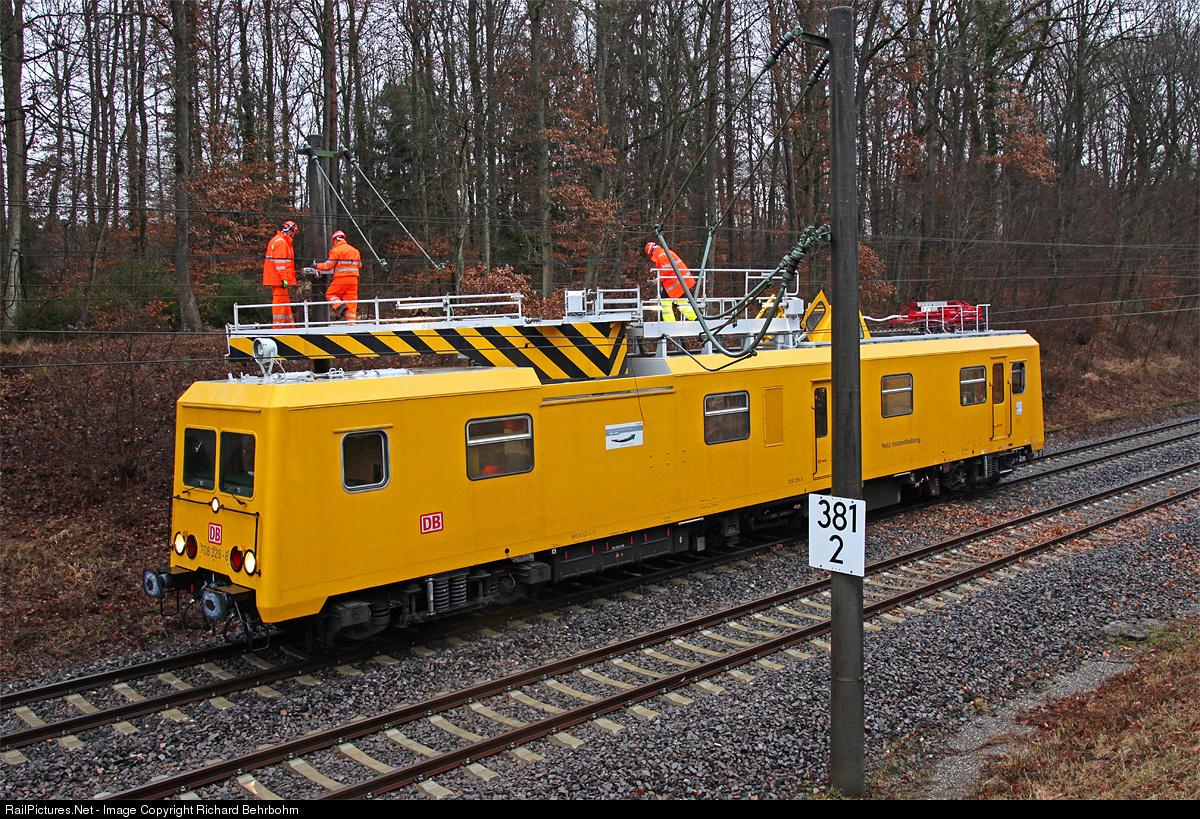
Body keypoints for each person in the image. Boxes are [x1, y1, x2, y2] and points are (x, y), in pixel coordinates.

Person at [313, 230, 362, 321]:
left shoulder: (336, 250)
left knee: (330, 294)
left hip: (342, 278)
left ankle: (340, 306)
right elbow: (359, 265)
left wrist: (316, 266)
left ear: (335, 240)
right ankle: (352, 323)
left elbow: (328, 266)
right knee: (351, 301)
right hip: (354, 279)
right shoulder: (355, 251)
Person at [645, 241, 697, 321]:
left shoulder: (662, 255)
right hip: (679, 281)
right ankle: (695, 318)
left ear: (652, 252)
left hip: (676, 282)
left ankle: (670, 322)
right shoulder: (664, 253)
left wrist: (659, 279)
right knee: (679, 301)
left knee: (665, 299)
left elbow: (666, 270)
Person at [263, 220, 299, 326]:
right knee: (279, 304)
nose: (293, 235)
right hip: (279, 280)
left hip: (279, 279)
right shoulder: (281, 242)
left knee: (285, 304)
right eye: (293, 233)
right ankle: (278, 328)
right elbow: (280, 264)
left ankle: (289, 327)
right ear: (289, 231)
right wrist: (284, 279)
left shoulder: (279, 241)